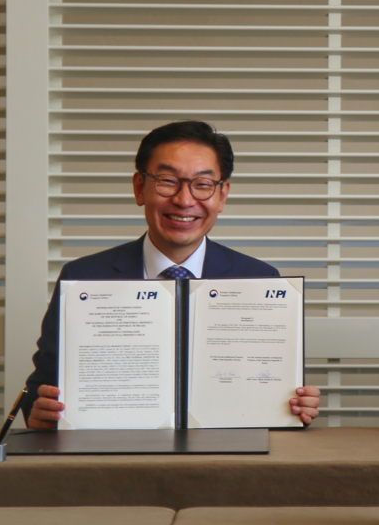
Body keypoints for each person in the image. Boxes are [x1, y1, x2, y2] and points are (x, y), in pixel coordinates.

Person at [23, 120, 321, 427]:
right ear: (140, 187)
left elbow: (269, 386)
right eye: (167, 181)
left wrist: (296, 405)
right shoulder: (83, 277)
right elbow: (41, 385)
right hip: (115, 455)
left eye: (203, 184)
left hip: (226, 459)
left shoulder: (260, 280)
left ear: (222, 195)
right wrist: (41, 411)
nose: (184, 200)